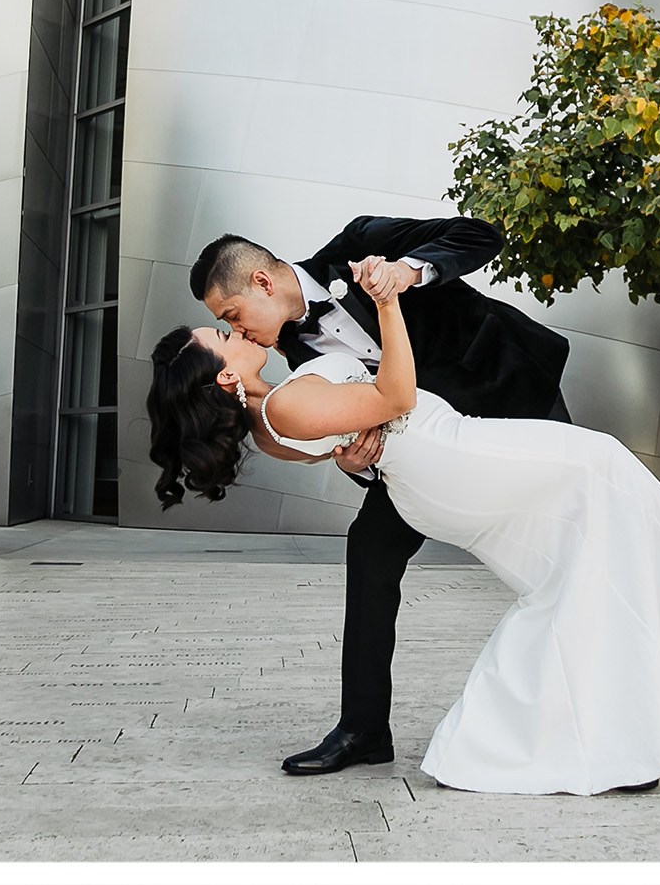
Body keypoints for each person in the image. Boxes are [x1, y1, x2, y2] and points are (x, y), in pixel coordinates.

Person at [152, 255, 660, 795]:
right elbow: (394, 398)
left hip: (443, 451)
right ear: (228, 375)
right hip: (447, 456)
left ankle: (621, 726)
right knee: (604, 467)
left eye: (226, 316)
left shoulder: (279, 402)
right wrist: (388, 303)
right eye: (221, 332)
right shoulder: (284, 404)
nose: (231, 327)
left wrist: (346, 451)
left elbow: (338, 438)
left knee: (582, 555)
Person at [187, 217, 570, 776]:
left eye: (232, 316)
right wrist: (353, 465)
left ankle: (603, 720)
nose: (238, 332)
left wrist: (408, 272)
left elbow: (482, 235)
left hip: (512, 394)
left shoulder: (362, 244)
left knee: (570, 547)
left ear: (263, 284)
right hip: (426, 447)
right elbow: (349, 416)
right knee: (369, 550)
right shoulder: (290, 350)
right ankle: (363, 730)